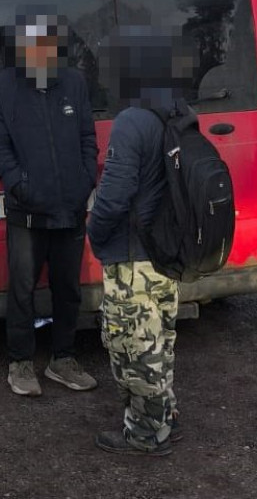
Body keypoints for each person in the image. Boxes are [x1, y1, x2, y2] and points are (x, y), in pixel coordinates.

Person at [0, 12, 99, 397]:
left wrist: (86, 180)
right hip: (26, 210)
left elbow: (87, 136)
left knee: (68, 289)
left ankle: (62, 359)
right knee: (22, 289)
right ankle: (20, 363)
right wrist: (20, 185)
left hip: (71, 207)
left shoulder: (74, 83)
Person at [85, 27, 191, 456]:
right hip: (165, 253)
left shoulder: (132, 121)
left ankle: (146, 435)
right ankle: (164, 417)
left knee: (132, 345)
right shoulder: (178, 113)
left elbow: (113, 195)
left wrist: (93, 234)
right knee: (160, 340)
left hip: (133, 257)